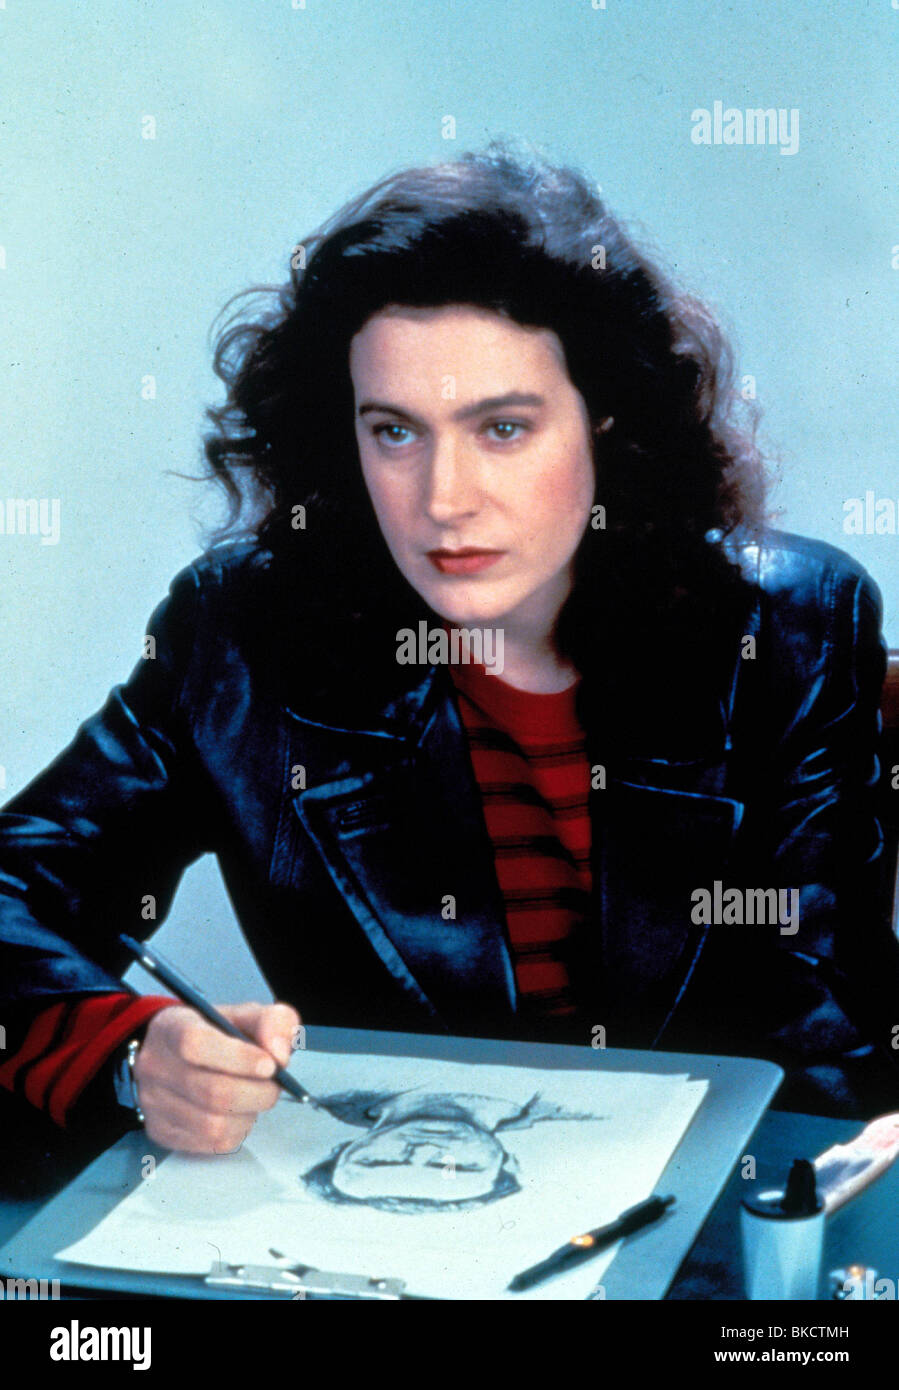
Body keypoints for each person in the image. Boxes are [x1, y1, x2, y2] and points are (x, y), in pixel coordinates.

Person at [1, 141, 897, 1157]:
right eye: (395, 431)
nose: (442, 499)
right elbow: (11, 888)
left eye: (502, 429)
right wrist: (131, 1050)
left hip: (701, 1214)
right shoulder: (241, 634)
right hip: (395, 1208)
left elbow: (827, 1052)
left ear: (603, 418)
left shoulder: (787, 627)